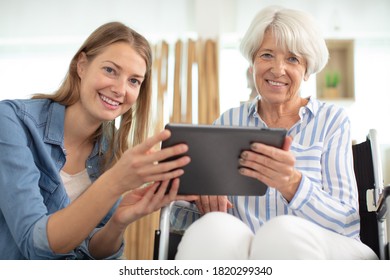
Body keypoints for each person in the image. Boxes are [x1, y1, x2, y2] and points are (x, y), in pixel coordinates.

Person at [173, 6, 378, 259]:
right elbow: (183, 220)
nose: (278, 69)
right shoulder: (229, 121)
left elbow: (346, 222)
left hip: (326, 246)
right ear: (253, 63)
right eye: (267, 55)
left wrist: (291, 184)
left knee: (282, 233)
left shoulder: (332, 121)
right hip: (251, 250)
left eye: (292, 59)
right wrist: (195, 196)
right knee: (210, 230)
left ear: (307, 70)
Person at [0, 22, 195, 260]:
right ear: (82, 65)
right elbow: (35, 245)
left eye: (134, 81)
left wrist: (118, 221)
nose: (120, 89)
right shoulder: (12, 121)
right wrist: (113, 183)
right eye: (110, 70)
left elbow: (92, 253)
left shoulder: (111, 151)